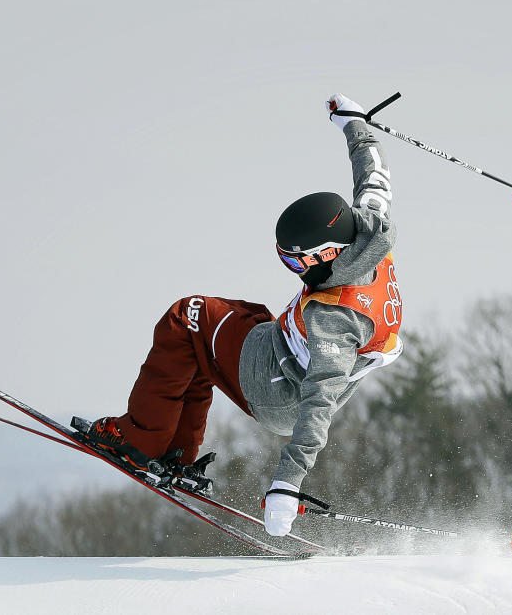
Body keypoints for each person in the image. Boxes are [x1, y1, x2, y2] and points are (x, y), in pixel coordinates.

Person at [80, 93, 403, 537]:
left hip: (278, 388)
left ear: (327, 254)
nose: (294, 270)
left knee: (186, 317)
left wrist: (288, 483)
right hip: (281, 346)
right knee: (224, 326)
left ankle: (140, 441)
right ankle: (175, 450)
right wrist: (354, 125)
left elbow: (319, 405)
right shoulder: (369, 231)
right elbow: (374, 178)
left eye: (295, 263)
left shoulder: (335, 320)